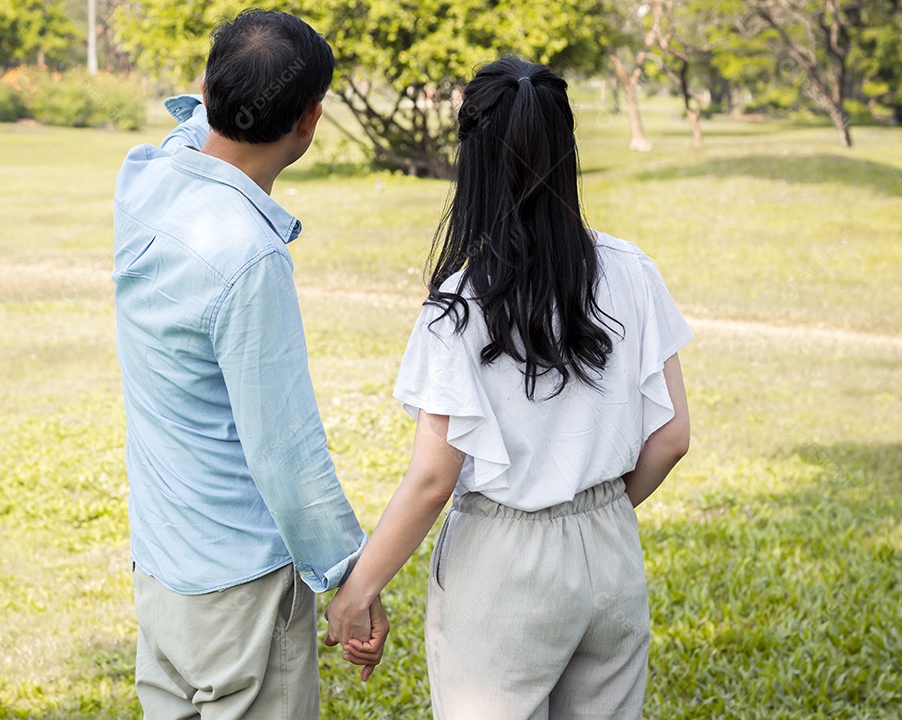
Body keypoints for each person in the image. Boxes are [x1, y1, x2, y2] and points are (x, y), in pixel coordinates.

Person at [323, 56, 693, 719]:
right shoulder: (632, 271)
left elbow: (434, 478)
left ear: (475, 160)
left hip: (504, 565)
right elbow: (671, 439)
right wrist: (594, 510)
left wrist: (359, 588)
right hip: (610, 550)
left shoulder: (459, 306)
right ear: (569, 148)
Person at [112, 10, 387, 720]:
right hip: (241, 587)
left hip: (163, 568)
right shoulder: (250, 259)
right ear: (311, 120)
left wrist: (215, 90)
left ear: (206, 92)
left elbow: (188, 127)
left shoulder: (142, 181)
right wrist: (354, 578)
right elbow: (286, 454)